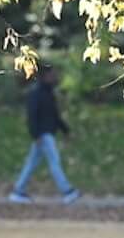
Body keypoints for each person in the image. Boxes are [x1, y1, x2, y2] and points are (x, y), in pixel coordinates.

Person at [9, 66, 81, 204]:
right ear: (44, 76)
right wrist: (36, 135)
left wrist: (66, 131)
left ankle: (18, 191)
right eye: (51, 75)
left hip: (46, 134)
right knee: (54, 162)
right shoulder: (36, 94)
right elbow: (32, 116)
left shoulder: (48, 93)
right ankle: (67, 191)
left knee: (31, 164)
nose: (54, 78)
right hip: (43, 135)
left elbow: (55, 116)